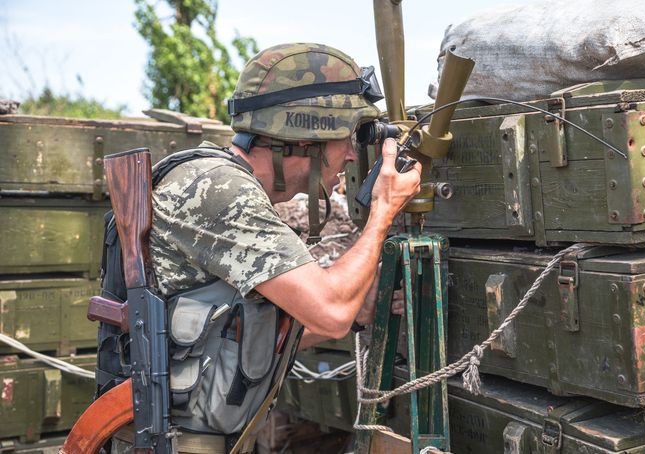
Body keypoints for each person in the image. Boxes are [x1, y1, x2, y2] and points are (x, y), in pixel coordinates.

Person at [109, 42, 421, 454]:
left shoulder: (218, 182)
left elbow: (241, 331)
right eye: (344, 138)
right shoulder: (221, 191)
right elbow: (330, 313)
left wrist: (362, 309)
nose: (350, 154)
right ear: (303, 140)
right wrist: (382, 211)